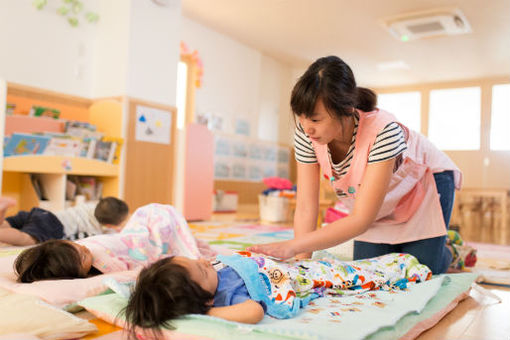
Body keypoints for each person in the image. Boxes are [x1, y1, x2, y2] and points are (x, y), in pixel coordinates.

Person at [247, 56, 462, 274]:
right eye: (301, 117)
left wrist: (291, 246)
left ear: (347, 109)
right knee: (372, 271)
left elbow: (361, 218)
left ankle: (447, 249)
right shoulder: (306, 133)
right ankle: (426, 245)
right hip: (378, 202)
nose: (306, 127)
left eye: (315, 119)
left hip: (424, 184)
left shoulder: (384, 132)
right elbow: (305, 206)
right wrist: (302, 266)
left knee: (423, 269)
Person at [123, 251, 431, 339]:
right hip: (301, 279)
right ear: (203, 300)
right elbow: (254, 312)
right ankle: (403, 267)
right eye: (202, 271)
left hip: (291, 267)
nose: (206, 263)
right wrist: (206, 313)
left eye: (197, 261)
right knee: (354, 276)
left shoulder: (212, 276)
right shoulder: (223, 299)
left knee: (330, 264)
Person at [14, 203, 215, 283]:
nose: (84, 248)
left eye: (78, 246)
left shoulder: (86, 244)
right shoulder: (106, 269)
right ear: (76, 273)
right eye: (82, 255)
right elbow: (136, 266)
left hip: (134, 234)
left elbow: (120, 240)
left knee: (154, 214)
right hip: (141, 244)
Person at [0, 196, 129, 246]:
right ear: (107, 225)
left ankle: (2, 209)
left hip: (42, 213)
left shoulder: (91, 206)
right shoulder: (94, 230)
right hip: (53, 224)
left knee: (7, 224)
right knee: (25, 238)